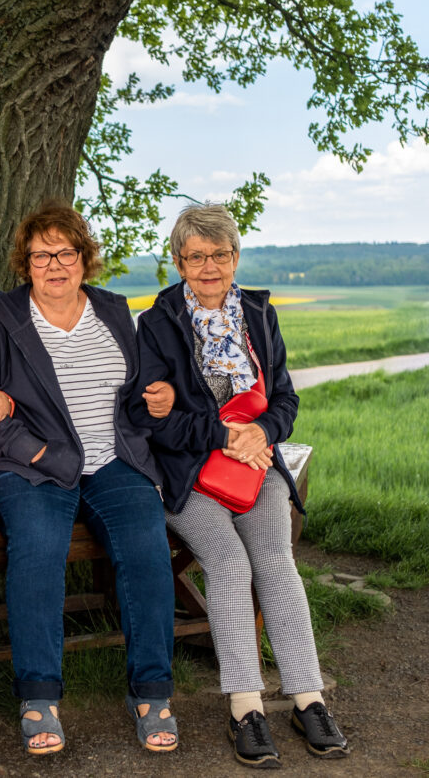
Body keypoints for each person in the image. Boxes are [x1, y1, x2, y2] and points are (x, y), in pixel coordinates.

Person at [0, 199, 179, 756]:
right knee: (38, 547)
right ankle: (39, 697)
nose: (54, 265)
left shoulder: (113, 310)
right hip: (32, 464)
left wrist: (159, 400)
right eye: (40, 256)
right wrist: (28, 449)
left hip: (110, 459)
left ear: (84, 258)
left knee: (148, 545)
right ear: (24, 264)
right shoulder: (3, 318)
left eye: (65, 253)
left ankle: (152, 691)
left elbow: (143, 385)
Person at [129, 203, 349, 767]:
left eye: (220, 254)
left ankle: (307, 697)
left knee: (275, 558)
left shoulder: (257, 313)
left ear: (235, 257)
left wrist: (262, 435)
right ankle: (245, 707)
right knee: (229, 563)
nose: (209, 267)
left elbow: (286, 400)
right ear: (179, 262)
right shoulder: (156, 325)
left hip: (255, 469)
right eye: (196, 256)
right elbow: (155, 418)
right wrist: (226, 435)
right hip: (191, 475)